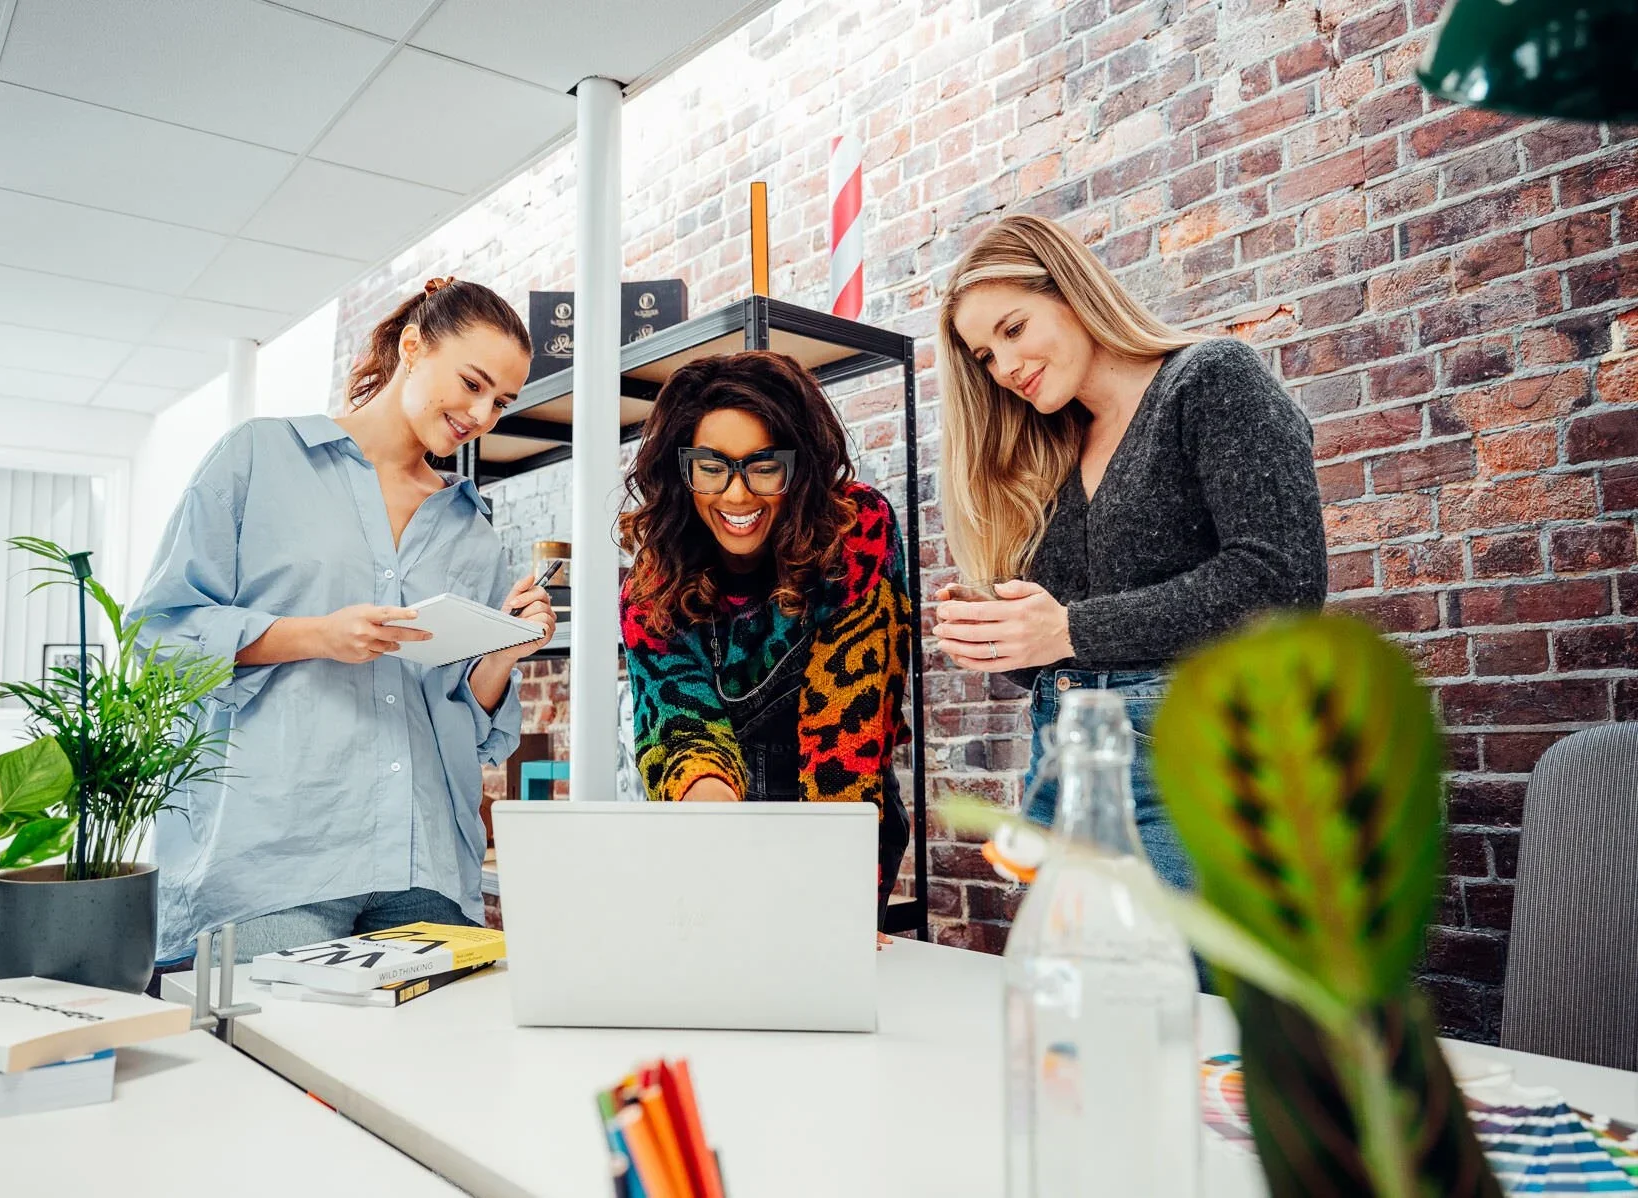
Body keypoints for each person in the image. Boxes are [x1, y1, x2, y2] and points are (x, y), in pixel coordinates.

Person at [131, 276, 556, 964]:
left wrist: (506, 652)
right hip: (274, 863)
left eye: (501, 402)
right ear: (414, 348)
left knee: (438, 1065)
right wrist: (316, 636)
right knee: (264, 1060)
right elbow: (158, 638)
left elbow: (469, 728)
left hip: (427, 871)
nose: (482, 415)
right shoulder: (259, 458)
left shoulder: (471, 530)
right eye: (473, 384)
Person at [933, 215, 1327, 889]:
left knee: (1183, 994)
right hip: (1071, 779)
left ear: (1071, 290)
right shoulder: (1053, 454)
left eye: (1014, 329)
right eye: (986, 358)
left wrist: (1066, 627)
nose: (1005, 368)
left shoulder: (1208, 378)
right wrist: (1008, 639)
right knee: (1074, 990)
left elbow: (1281, 581)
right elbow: (1075, 660)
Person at [619, 351, 913, 930]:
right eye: (711, 466)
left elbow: (849, 735)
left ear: (798, 466)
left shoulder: (858, 535)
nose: (735, 496)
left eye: (763, 467)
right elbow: (682, 729)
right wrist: (726, 848)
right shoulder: (653, 580)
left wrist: (832, 893)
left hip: (838, 826)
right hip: (709, 826)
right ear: (683, 470)